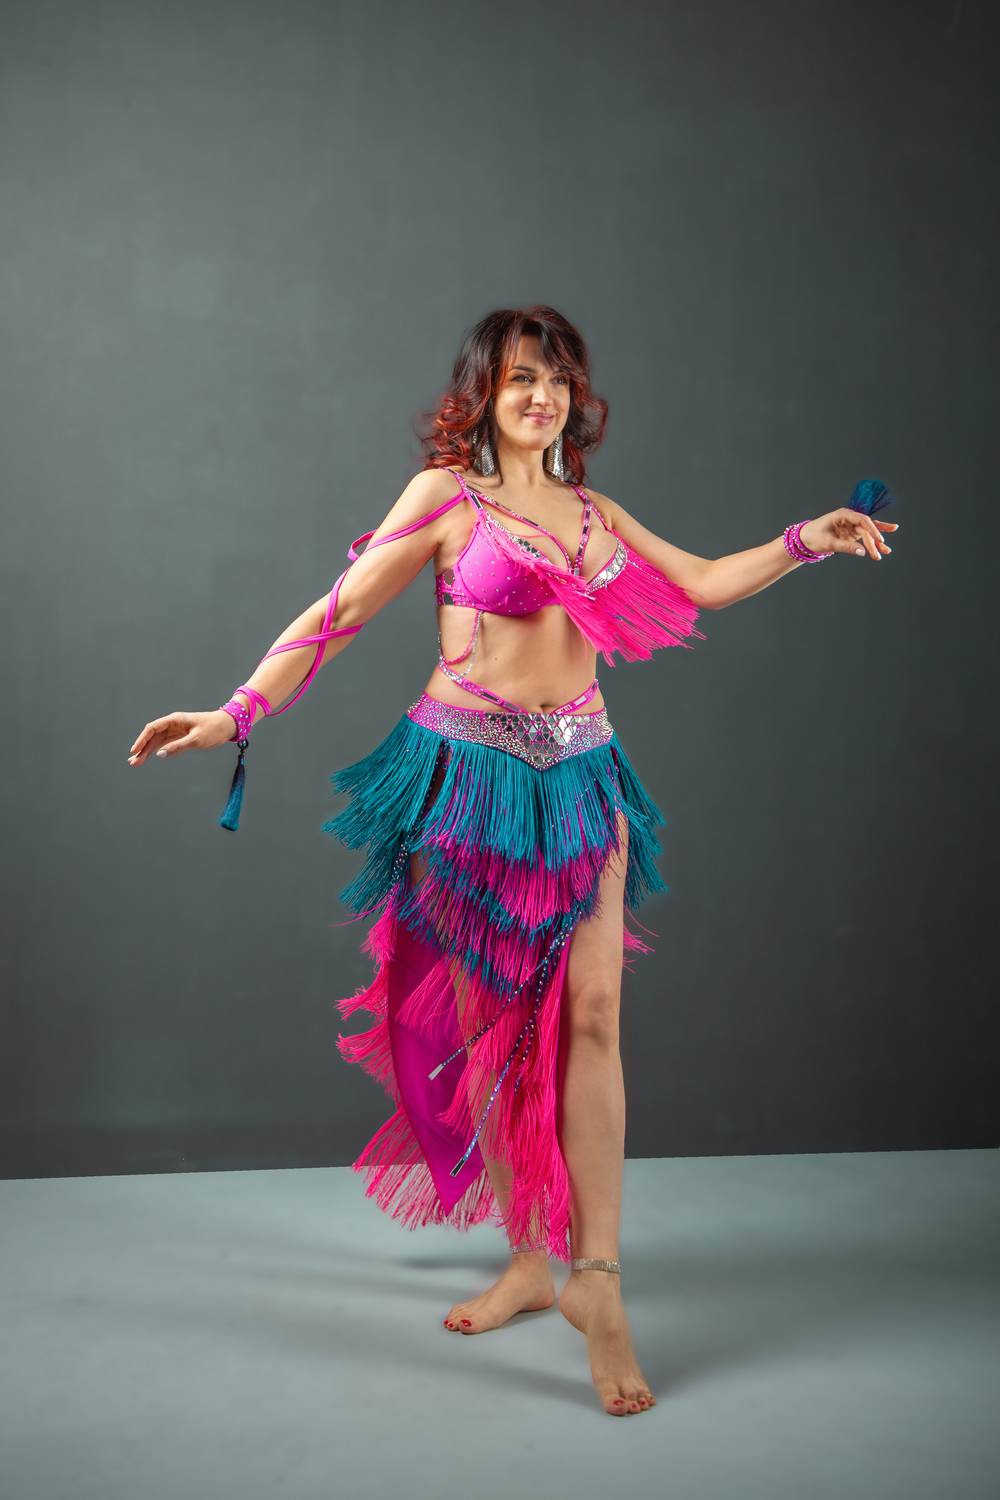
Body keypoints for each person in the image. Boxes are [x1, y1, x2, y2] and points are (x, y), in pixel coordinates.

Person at [127, 305, 898, 1417]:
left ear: (576, 398)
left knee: (594, 1016)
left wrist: (806, 540)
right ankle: (530, 1258)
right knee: (493, 1031)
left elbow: (702, 581)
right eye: (521, 377)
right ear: (483, 393)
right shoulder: (446, 497)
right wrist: (235, 713)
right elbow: (337, 612)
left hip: (584, 777)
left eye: (558, 379)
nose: (542, 396)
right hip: (467, 781)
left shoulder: (594, 511)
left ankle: (599, 1280)